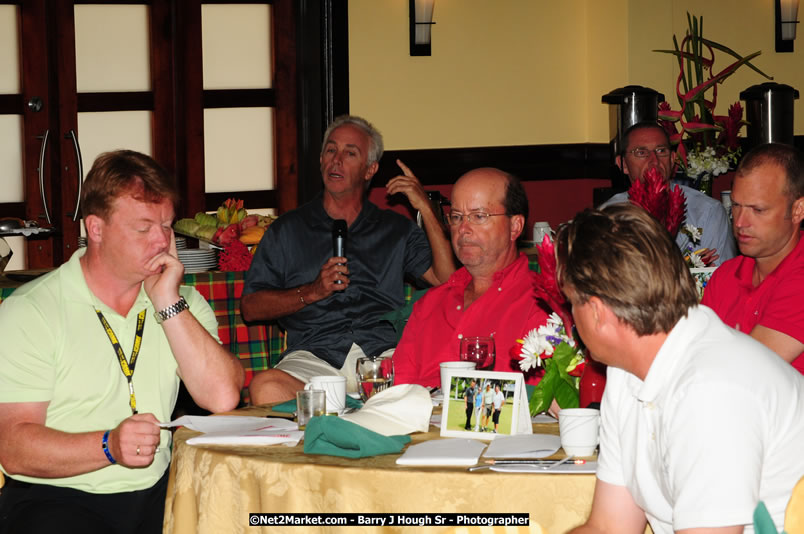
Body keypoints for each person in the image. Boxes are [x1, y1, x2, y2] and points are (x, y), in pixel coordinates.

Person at [0, 150, 245, 534]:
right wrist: (108, 446)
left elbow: (222, 396)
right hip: (56, 497)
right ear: (96, 229)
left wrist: (167, 301)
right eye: (143, 228)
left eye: (166, 225)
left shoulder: (181, 302)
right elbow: (14, 448)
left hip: (158, 491)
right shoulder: (32, 310)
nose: (161, 240)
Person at [558, 203, 804, 534]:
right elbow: (609, 527)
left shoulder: (711, 389)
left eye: (572, 302)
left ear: (597, 312)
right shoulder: (628, 371)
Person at [243, 115, 455, 404]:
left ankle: (345, 407)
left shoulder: (395, 229)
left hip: (383, 355)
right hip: (314, 356)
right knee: (265, 387)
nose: (337, 160)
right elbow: (251, 307)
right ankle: (357, 407)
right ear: (321, 160)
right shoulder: (287, 230)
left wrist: (425, 207)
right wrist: (312, 291)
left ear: (370, 169)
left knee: (438, 377)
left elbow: (447, 281)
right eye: (331, 150)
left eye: (350, 153)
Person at [393, 168, 550, 387]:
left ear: (515, 227)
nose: (463, 229)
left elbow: (539, 399)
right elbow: (397, 389)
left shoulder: (543, 305)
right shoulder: (429, 304)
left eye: (479, 216)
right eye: (457, 217)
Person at [702, 143, 804, 374]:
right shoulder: (726, 274)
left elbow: (746, 372)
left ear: (798, 210)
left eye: (758, 210)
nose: (740, 222)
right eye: (736, 206)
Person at [601, 121, 735, 266]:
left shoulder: (707, 212)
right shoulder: (608, 216)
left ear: (672, 159)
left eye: (661, 151)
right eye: (641, 153)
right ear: (624, 164)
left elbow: (720, 275)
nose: (654, 161)